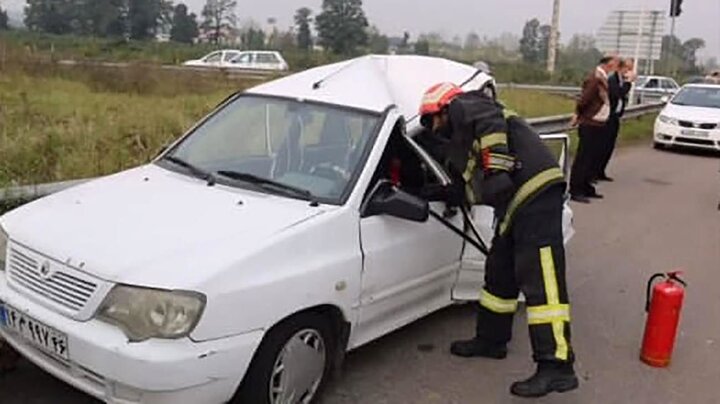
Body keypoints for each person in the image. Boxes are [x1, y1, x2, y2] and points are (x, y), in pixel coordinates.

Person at [418, 82, 578, 398]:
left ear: (444, 108)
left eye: (433, 120)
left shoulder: (468, 105)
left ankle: (558, 367)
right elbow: (477, 189)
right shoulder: (463, 141)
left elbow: (492, 131)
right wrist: (447, 193)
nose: (433, 129)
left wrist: (496, 171)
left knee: (542, 282)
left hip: (537, 194)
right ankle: (491, 341)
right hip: (515, 206)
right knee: (499, 272)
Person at [569, 56, 619, 203]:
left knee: (591, 157)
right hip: (590, 123)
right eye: (614, 63)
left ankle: (586, 186)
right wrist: (579, 114)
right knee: (583, 158)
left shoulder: (602, 78)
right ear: (608, 64)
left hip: (598, 123)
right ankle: (576, 189)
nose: (616, 67)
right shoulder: (595, 79)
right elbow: (585, 99)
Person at [596, 58, 635, 182]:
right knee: (602, 145)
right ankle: (593, 172)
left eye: (631, 69)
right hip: (608, 117)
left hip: (615, 117)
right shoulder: (613, 80)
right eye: (627, 69)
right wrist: (629, 83)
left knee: (609, 146)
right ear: (620, 68)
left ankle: (601, 171)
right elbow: (617, 94)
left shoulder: (621, 80)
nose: (629, 71)